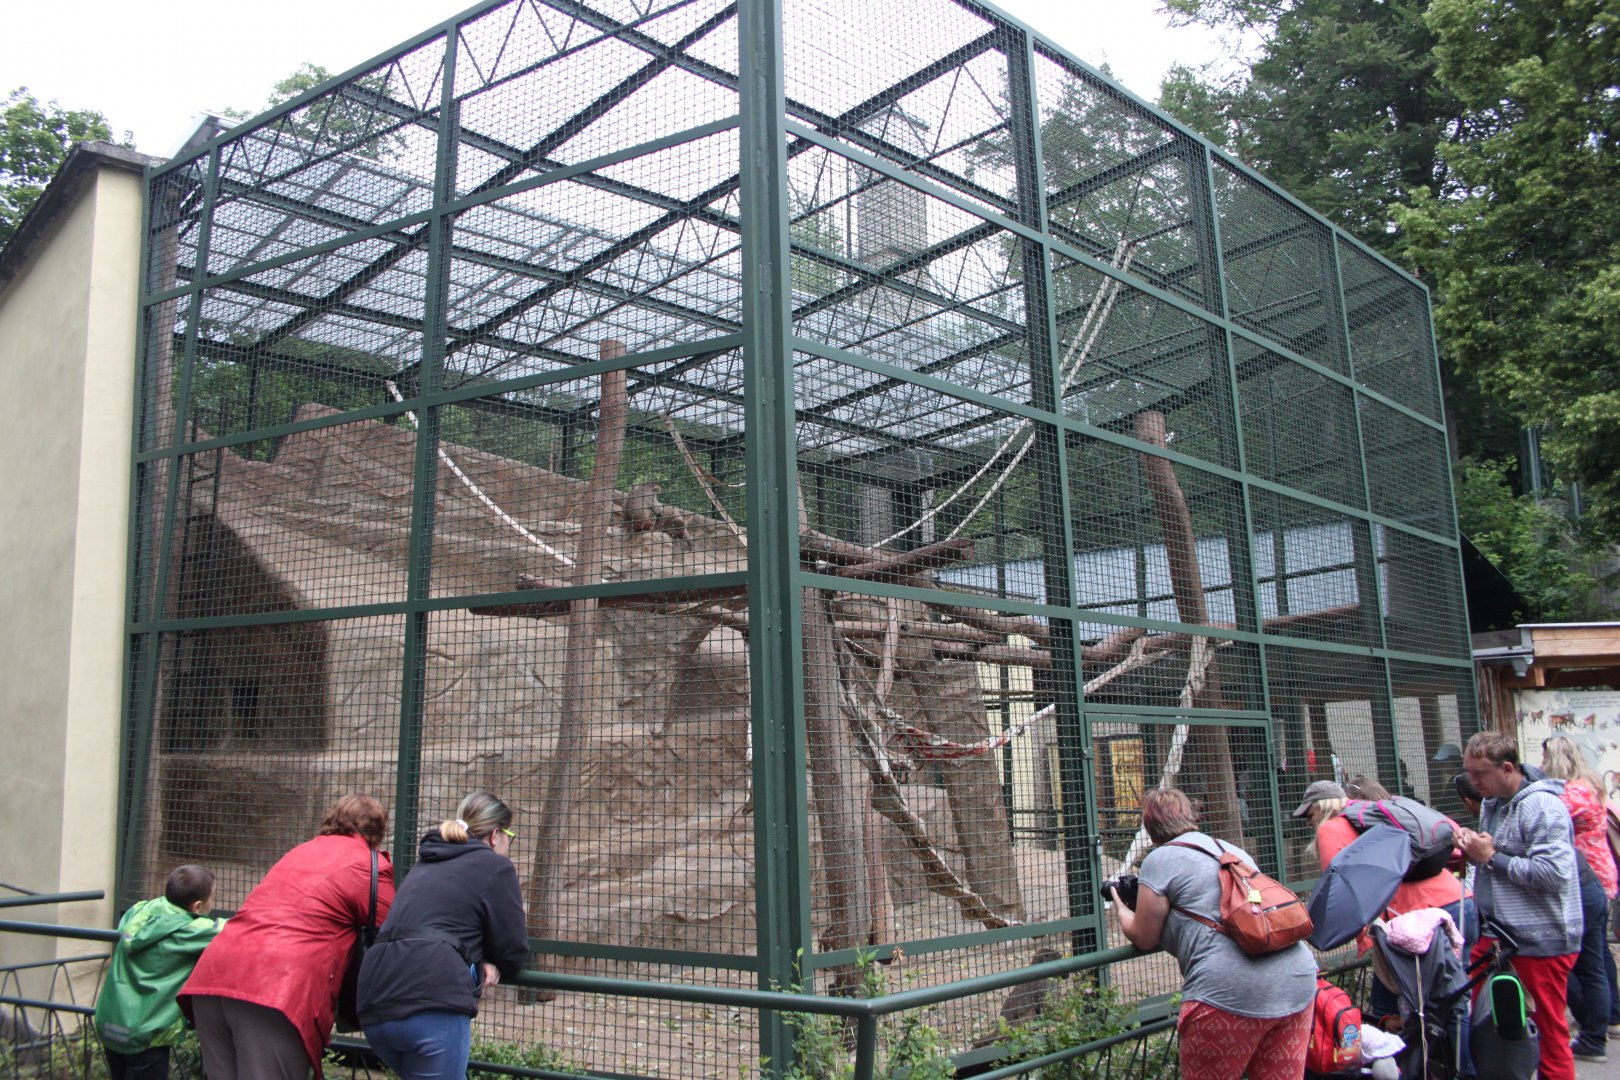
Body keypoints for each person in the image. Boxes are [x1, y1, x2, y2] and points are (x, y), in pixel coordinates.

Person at [180, 794, 395, 1080]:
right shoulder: (370, 866)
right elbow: (391, 934)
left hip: (214, 975)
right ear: (377, 833)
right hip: (273, 989)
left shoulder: (299, 852)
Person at [1112, 787, 1317, 1079]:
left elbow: (1144, 936)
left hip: (1227, 992)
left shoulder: (1160, 860)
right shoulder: (1230, 850)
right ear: (1189, 815)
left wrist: (1121, 905)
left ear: (1149, 826)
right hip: (1296, 978)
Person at [357, 791, 529, 1079]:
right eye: (509, 835)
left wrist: (478, 955)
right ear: (496, 834)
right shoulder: (495, 866)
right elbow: (513, 951)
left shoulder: (426, 862)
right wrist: (492, 956)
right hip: (430, 1004)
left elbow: (440, 923)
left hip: (375, 1002)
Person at [1296, 777, 1472, 1033]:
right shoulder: (1382, 817)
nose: (1309, 822)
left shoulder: (1332, 828)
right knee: (1455, 1000)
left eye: (1308, 814)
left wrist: (1361, 938)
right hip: (1460, 902)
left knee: (1387, 1010)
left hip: (1423, 919)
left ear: (1321, 807)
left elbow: (1343, 893)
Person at [1457, 731, 1582, 1080]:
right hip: (1501, 936)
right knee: (1488, 1021)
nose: (1473, 781)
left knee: (1549, 1032)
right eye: (1469, 771)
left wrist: (1491, 856)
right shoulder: (1493, 803)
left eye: (1480, 773)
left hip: (1540, 939)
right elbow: (1493, 859)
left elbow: (1555, 873)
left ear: (1508, 768)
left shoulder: (1542, 805)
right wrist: (1474, 852)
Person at [93, 865, 223, 1079]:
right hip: (146, 1034)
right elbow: (235, 929)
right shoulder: (190, 929)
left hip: (112, 1022)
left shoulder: (140, 910)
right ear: (198, 906)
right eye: (213, 896)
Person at [1541, 734, 1618, 1061]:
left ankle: (1593, 1026)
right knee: (1597, 956)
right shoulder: (1589, 785)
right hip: (1599, 874)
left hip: (1585, 880)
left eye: (1545, 759)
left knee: (1580, 960)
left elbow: (1543, 818)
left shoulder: (1571, 794)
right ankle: (1607, 1018)